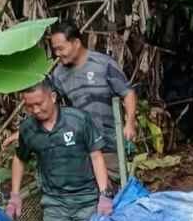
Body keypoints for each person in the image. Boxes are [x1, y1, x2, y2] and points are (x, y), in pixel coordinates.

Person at [5, 80, 113, 221]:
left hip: (86, 199)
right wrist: (15, 195)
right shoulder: (28, 129)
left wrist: (104, 194)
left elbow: (96, 155)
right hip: (54, 202)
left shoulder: (78, 120)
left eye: (39, 103)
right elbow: (19, 158)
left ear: (53, 97)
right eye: (29, 106)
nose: (35, 110)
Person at [48, 19, 137, 184]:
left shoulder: (103, 64)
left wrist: (130, 123)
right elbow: (50, 105)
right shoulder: (58, 74)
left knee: (122, 186)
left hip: (111, 143)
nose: (57, 54)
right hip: (84, 147)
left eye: (61, 48)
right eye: (55, 50)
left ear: (75, 42)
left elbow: (128, 93)